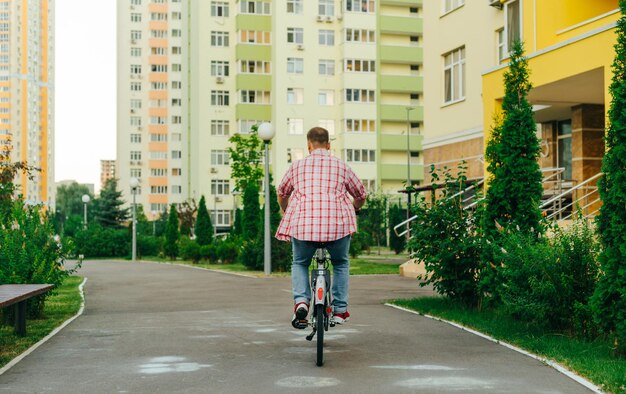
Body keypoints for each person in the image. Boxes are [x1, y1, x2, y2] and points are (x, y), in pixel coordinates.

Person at [275, 127, 367, 329]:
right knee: (340, 263)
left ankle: (301, 302)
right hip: (337, 226)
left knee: (300, 263)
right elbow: (360, 194)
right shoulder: (341, 166)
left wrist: (285, 208)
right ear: (328, 145)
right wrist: (355, 208)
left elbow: (282, 192)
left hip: (303, 225)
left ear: (309, 145)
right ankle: (340, 310)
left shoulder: (297, 166)